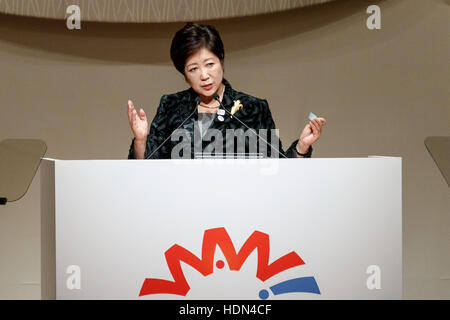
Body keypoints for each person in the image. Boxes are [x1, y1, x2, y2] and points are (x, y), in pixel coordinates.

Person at [127, 22, 326, 160]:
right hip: (184, 207)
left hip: (238, 209)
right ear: (184, 74)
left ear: (221, 60)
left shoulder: (253, 108)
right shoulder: (171, 106)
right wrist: (141, 140)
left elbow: (276, 165)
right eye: (193, 69)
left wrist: (301, 147)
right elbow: (148, 169)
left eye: (210, 64)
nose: (204, 75)